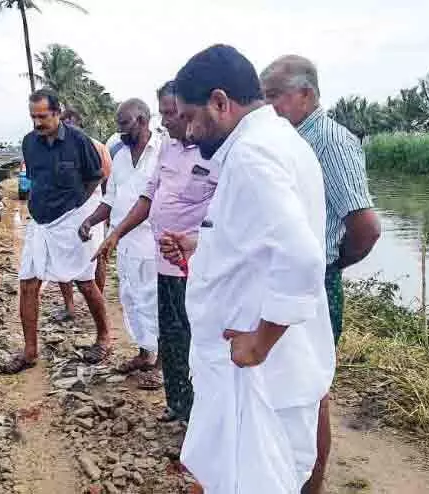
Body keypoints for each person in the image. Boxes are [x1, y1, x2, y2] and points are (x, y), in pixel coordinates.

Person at [163, 44, 335, 493]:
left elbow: (301, 256)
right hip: (253, 374)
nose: (187, 131)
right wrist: (202, 243)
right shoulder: (276, 142)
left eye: (190, 116)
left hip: (258, 378)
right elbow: (261, 238)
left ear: (220, 102)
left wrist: (260, 342)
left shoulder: (252, 153)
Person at [261, 54, 381, 494]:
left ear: (306, 94)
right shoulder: (286, 139)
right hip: (291, 276)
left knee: (312, 386)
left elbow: (365, 228)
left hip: (314, 277)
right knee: (288, 380)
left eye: (274, 96)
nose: (267, 106)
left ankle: (313, 484)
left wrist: (331, 264)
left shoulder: (328, 140)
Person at [94, 81, 218, 421]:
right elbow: (148, 198)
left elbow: (225, 213)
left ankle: (202, 416)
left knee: (197, 340)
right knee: (173, 332)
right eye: (162, 112)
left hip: (196, 264)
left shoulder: (216, 152)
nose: (166, 121)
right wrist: (115, 233)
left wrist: (199, 243)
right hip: (164, 259)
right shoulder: (169, 150)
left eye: (171, 113)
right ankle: (178, 405)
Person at [1, 89, 111, 374]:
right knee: (27, 282)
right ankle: (29, 351)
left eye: (43, 116)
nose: (38, 123)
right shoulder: (29, 143)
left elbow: (97, 174)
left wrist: (78, 207)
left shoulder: (78, 141)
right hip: (40, 222)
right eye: (33, 117)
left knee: (85, 282)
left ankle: (104, 337)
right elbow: (34, 180)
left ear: (57, 113)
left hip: (72, 219)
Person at [80, 98, 163, 386]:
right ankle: (144, 354)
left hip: (153, 245)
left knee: (156, 301)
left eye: (125, 123)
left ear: (143, 120)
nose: (121, 130)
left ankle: (161, 364)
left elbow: (153, 202)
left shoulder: (162, 152)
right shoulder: (121, 156)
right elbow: (111, 198)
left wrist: (116, 233)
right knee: (132, 299)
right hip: (125, 245)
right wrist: (91, 220)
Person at [54, 107, 112, 322]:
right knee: (62, 255)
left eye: (71, 123)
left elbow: (107, 183)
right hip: (63, 210)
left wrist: (105, 214)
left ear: (79, 125)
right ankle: (69, 306)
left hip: (92, 208)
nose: (67, 127)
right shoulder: (56, 149)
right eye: (64, 122)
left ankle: (97, 301)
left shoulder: (97, 148)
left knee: (96, 256)